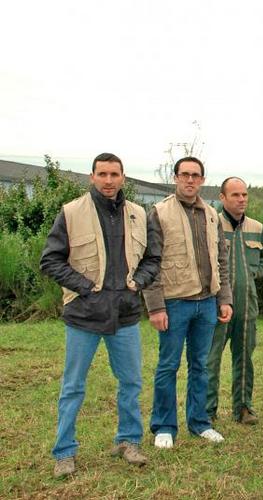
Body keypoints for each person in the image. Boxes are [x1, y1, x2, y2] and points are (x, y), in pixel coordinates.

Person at [40, 153, 161, 478]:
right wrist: (85, 286)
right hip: (83, 316)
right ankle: (64, 453)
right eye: (102, 174)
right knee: (73, 387)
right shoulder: (71, 212)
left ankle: (129, 441)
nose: (109, 180)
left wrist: (139, 281)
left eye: (114, 174)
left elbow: (153, 258)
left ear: (123, 177)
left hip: (125, 315)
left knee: (131, 382)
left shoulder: (138, 214)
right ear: (92, 177)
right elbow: (50, 260)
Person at [143, 156, 233, 449]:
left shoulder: (211, 214)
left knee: (200, 366)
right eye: (185, 175)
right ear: (176, 177)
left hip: (206, 303)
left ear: (203, 180)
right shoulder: (158, 213)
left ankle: (199, 422)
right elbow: (150, 262)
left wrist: (224, 299)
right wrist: (155, 306)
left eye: (196, 175)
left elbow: (221, 260)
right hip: (174, 303)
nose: (190, 180)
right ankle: (164, 426)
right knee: (168, 366)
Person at [206, 177, 263, 425]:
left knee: (244, 357)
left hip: (247, 304)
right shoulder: (211, 223)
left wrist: (254, 272)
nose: (241, 200)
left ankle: (243, 408)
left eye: (244, 195)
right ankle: (207, 410)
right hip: (217, 305)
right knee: (211, 358)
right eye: (235, 195)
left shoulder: (257, 228)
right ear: (222, 198)